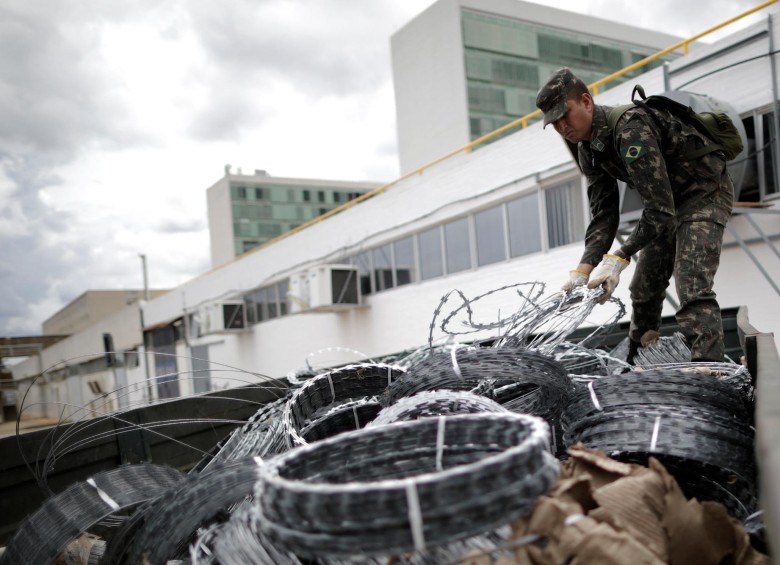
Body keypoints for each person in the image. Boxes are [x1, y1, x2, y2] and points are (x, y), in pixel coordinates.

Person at [535, 67, 733, 362]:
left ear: (586, 102)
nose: (561, 126)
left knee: (691, 284)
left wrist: (619, 258)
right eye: (554, 122)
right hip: (668, 205)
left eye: (565, 115)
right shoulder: (587, 150)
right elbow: (604, 214)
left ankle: (710, 368)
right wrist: (583, 269)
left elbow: (658, 209)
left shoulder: (631, 129)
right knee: (644, 288)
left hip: (703, 193)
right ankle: (641, 357)